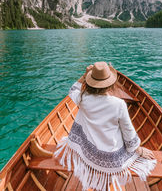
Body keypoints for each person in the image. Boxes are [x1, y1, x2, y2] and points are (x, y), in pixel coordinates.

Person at [54, 62, 156, 191]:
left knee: (89, 156)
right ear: (111, 85)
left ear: (90, 82)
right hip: (111, 160)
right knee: (123, 143)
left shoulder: (83, 98)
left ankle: (93, 175)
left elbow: (73, 89)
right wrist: (138, 149)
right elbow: (128, 131)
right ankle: (105, 184)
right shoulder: (119, 104)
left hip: (88, 152)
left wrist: (85, 75)